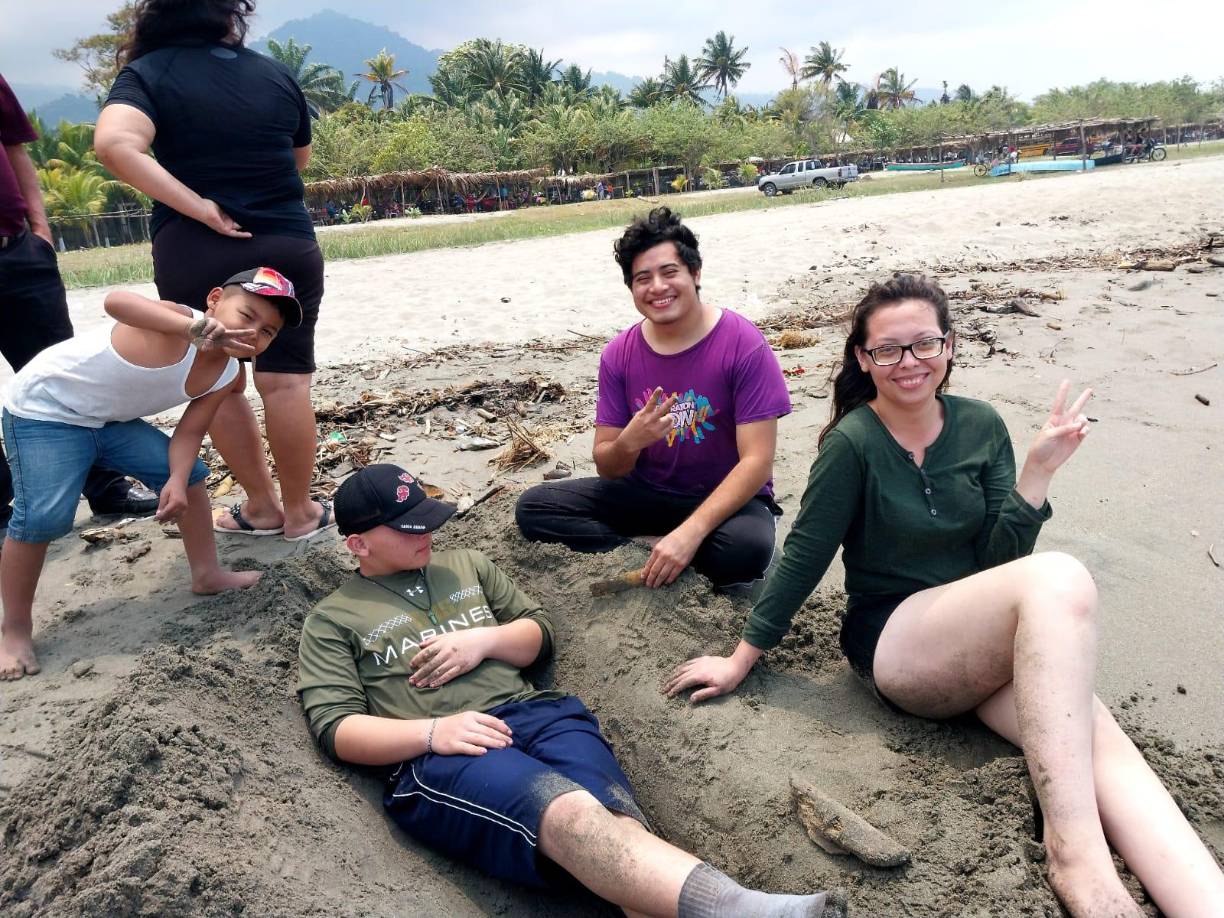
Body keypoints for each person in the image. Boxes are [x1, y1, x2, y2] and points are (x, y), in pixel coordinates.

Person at [664, 274, 1224, 917]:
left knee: (1100, 746)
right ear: (862, 359)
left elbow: (997, 567)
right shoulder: (852, 443)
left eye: (924, 344)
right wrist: (741, 656)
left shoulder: (982, 426)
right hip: (896, 646)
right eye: (888, 350)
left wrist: (1036, 474)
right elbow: (803, 558)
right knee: (1062, 577)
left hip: (974, 644)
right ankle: (1076, 858)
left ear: (950, 346)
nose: (909, 363)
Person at [297, 463, 846, 918]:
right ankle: (745, 909)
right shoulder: (334, 617)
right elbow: (336, 728)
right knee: (567, 813)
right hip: (446, 752)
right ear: (357, 544)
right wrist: (434, 731)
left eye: (427, 521)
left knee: (617, 817)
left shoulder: (466, 565)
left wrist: (484, 641)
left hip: (537, 714)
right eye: (407, 528)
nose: (427, 535)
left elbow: (538, 635)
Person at [94, 0, 332, 541]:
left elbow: (114, 145)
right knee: (289, 384)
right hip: (284, 240)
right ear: (230, 16)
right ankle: (300, 514)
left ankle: (262, 508)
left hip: (195, 249)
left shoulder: (147, 75)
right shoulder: (273, 73)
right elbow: (297, 158)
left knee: (221, 386)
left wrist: (199, 206)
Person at [0, 266, 300, 680]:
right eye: (246, 316)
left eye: (267, 332)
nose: (252, 333)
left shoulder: (229, 373)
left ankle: (207, 574)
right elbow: (116, 302)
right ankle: (14, 629)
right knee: (43, 518)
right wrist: (190, 326)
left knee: (192, 475)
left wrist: (174, 481)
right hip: (44, 412)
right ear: (214, 300)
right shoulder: (174, 323)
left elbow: (189, 433)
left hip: (110, 422)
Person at [515, 207, 791, 594]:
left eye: (669, 272)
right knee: (534, 508)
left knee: (746, 552)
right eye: (643, 278)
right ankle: (645, 550)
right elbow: (608, 466)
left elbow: (757, 462)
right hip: (648, 495)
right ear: (631, 288)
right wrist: (630, 441)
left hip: (726, 499)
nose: (657, 287)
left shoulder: (744, 344)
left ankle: (668, 548)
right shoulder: (618, 354)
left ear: (695, 274)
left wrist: (690, 532)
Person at [0, 72, 158, 537]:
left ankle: (106, 488)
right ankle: (1, 510)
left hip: (17, 252)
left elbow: (15, 148)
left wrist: (40, 228)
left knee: (64, 376)